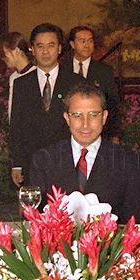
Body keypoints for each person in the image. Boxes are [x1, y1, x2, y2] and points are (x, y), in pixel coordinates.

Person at [29, 82, 140, 223]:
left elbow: (139, 222)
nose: (85, 124)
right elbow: (34, 221)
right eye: (77, 115)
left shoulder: (129, 162)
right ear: (67, 118)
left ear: (104, 117)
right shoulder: (43, 160)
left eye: (93, 115)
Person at [10, 23, 83, 187]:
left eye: (51, 45)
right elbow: (16, 125)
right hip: (32, 161)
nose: (45, 51)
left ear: (59, 48)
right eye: (40, 46)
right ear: (32, 49)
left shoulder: (75, 82)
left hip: (68, 160)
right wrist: (16, 163)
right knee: (35, 210)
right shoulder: (22, 84)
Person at [61, 25, 121, 141]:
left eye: (90, 41)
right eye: (82, 41)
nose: (87, 45)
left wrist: (115, 135)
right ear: (72, 44)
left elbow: (113, 104)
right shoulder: (62, 68)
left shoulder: (104, 71)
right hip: (66, 134)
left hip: (98, 133)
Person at [0, 31, 36, 122]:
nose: (4, 58)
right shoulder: (13, 77)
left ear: (16, 51)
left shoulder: (36, 74)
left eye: (6, 53)